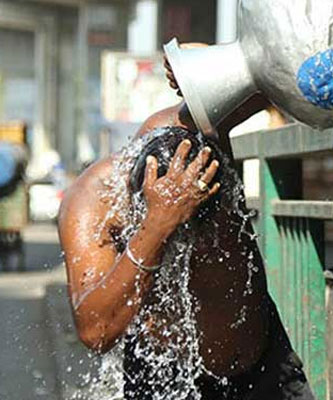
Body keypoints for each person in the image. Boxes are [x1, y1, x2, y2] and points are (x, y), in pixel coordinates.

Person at [58, 97, 315, 399]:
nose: (196, 245)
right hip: (163, 374)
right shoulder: (94, 200)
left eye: (202, 229)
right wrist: (155, 229)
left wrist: (196, 63)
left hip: (259, 368)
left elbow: (272, 75)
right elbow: (95, 330)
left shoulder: (202, 122)